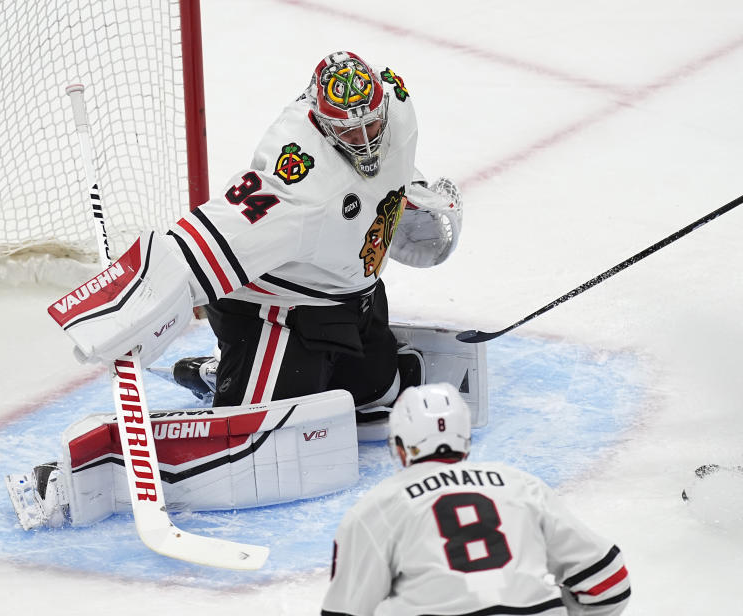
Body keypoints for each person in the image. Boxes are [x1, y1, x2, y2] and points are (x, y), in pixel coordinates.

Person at [59, 49, 464, 428]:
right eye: (350, 132)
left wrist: (412, 191)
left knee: (379, 394)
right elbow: (205, 243)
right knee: (259, 432)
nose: (366, 140)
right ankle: (237, 374)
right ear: (323, 124)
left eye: (372, 125)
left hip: (352, 297)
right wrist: (125, 310)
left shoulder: (397, 101)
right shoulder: (297, 179)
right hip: (278, 311)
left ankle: (232, 372)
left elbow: (391, 165)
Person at [321, 383, 631, 616]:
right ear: (466, 441)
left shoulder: (378, 507)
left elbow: (345, 612)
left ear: (401, 447)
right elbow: (610, 581)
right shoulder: (521, 485)